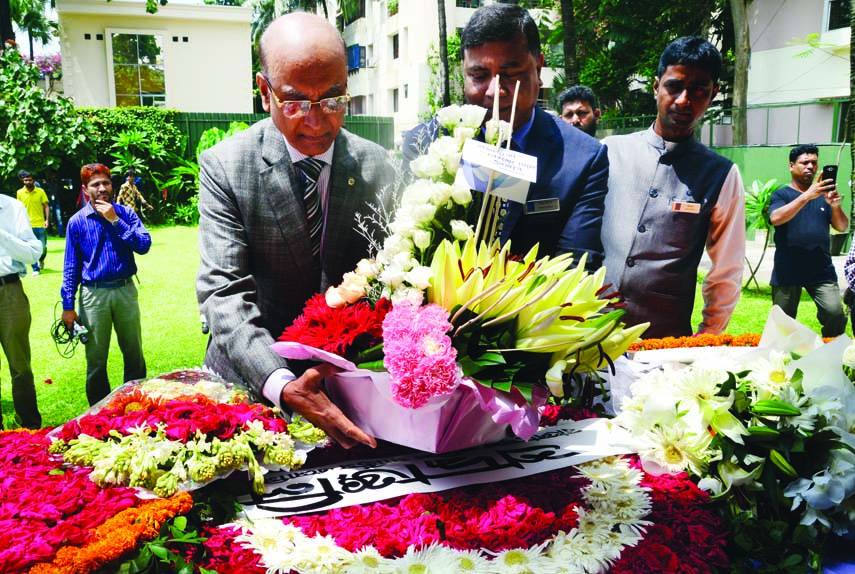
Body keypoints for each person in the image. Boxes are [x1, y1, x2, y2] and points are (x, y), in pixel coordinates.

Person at [196, 12, 397, 449]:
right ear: (264, 90)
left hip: (352, 391)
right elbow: (223, 292)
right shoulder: (227, 167)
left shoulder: (378, 166)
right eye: (295, 101)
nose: (316, 121)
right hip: (254, 387)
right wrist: (280, 382)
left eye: (332, 99)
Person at [402, 3, 609, 272]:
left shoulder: (582, 158)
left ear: (538, 67)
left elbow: (577, 265)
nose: (495, 91)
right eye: (478, 75)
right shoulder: (426, 143)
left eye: (511, 74)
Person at [601, 36, 745, 339]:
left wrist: (707, 336)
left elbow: (727, 269)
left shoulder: (721, 174)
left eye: (698, 90)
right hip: (588, 328)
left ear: (713, 93)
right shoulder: (610, 152)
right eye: (674, 87)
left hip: (664, 340)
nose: (683, 100)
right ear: (656, 87)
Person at [61, 164, 151, 406]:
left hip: (125, 289)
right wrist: (68, 306)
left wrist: (115, 221)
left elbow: (143, 245)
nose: (102, 189)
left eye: (106, 183)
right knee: (96, 359)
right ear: (85, 188)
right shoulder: (77, 222)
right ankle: (99, 414)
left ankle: (135, 407)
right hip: (94, 295)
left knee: (134, 353)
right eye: (95, 184)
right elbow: (71, 267)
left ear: (112, 184)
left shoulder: (126, 213)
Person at [769, 144, 847, 337]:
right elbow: (776, 218)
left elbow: (842, 227)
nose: (810, 166)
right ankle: (784, 361)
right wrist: (806, 196)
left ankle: (830, 352)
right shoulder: (781, 194)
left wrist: (835, 206)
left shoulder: (824, 196)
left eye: (813, 162)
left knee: (835, 313)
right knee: (783, 325)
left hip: (821, 271)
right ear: (791, 166)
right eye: (804, 162)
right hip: (787, 271)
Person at [0, 194, 43, 429]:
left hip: (9, 292)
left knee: (20, 367)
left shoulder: (11, 207)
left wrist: (2, 235)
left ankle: (30, 427)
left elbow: (32, 253)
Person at [16, 170, 49, 275]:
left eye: (29, 180)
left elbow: (46, 206)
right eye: (25, 180)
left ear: (33, 180)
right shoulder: (19, 193)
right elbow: (18, 208)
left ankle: (41, 259)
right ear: (23, 181)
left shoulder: (40, 192)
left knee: (43, 248)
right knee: (30, 248)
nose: (28, 182)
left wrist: (47, 220)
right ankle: (35, 268)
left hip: (40, 224)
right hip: (27, 225)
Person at [43, 170, 65, 237]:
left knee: (59, 217)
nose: (52, 176)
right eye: (51, 175)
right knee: (50, 217)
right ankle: (50, 232)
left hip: (56, 201)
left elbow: (59, 191)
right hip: (49, 201)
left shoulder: (57, 183)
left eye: (53, 175)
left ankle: (61, 233)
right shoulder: (46, 183)